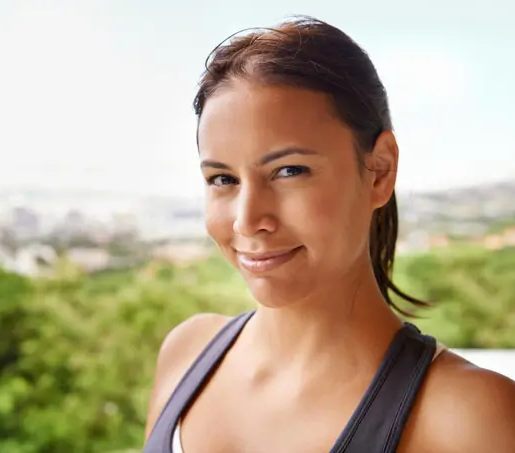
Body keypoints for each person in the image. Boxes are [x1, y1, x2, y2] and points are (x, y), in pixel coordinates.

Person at [143, 15, 515, 453]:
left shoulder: (470, 418)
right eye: (223, 179)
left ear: (379, 170)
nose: (247, 219)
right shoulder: (186, 354)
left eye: (289, 171)